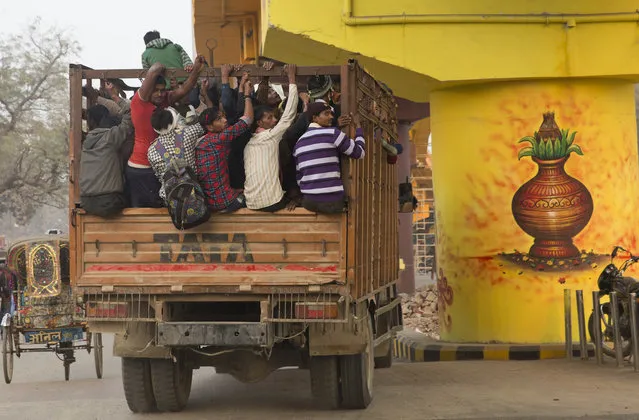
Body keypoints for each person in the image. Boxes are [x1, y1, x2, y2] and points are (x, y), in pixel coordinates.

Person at [127, 56, 205, 208]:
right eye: (155, 90)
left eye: (162, 90)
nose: (159, 94)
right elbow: (155, 68)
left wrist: (195, 71)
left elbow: (184, 89)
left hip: (153, 166)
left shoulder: (163, 101)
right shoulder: (140, 102)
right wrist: (164, 68)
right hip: (142, 167)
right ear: (147, 89)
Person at [243, 64, 299, 212]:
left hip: (251, 204)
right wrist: (292, 78)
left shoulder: (248, 144)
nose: (274, 120)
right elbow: (289, 114)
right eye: (269, 118)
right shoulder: (270, 136)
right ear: (259, 123)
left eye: (274, 117)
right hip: (272, 202)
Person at [293, 102, 365, 213]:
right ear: (315, 118)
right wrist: (359, 130)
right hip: (332, 202)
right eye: (326, 114)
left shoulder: (299, 142)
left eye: (331, 113)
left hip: (309, 202)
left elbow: (299, 177)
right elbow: (360, 153)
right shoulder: (332, 133)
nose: (331, 117)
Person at [196, 78, 254, 213]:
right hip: (226, 202)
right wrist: (247, 95)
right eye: (219, 119)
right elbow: (248, 119)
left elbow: (210, 113)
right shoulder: (220, 138)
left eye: (223, 116)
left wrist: (204, 93)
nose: (225, 120)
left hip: (210, 201)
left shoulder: (203, 141)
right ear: (209, 127)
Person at [79, 91, 134, 217]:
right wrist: (116, 97)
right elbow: (130, 114)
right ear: (106, 119)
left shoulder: (86, 142)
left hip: (86, 202)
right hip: (110, 202)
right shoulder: (110, 137)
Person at [147, 106, 205, 200]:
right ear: (174, 122)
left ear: (155, 128)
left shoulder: (151, 151)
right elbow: (204, 123)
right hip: (194, 191)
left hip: (171, 198)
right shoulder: (188, 134)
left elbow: (159, 176)